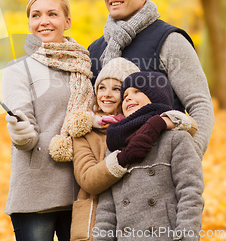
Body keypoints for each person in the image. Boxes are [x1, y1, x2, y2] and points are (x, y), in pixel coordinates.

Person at [88, 0, 214, 158]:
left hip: (157, 172)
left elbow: (200, 105)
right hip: (105, 176)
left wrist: (187, 159)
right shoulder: (95, 50)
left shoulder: (170, 40)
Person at [69, 58, 197, 241]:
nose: (128, 96)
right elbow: (107, 207)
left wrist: (186, 236)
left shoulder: (175, 136)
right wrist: (124, 157)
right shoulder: (114, 144)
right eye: (126, 93)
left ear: (155, 96)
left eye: (136, 91)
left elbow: (190, 193)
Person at [2, 0, 94, 241]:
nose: (44, 21)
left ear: (67, 21)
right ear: (29, 23)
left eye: (52, 14)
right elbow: (26, 136)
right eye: (36, 15)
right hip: (36, 190)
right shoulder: (18, 69)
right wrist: (20, 132)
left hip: (82, 189)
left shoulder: (85, 65)